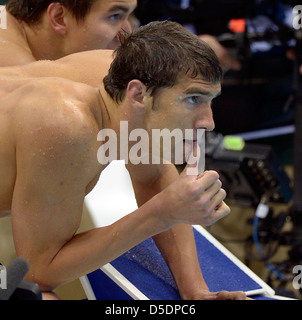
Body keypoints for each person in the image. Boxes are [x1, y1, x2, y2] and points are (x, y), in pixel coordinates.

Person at [0, 20, 249, 300]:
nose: (209, 122)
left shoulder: (131, 76)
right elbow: (39, 272)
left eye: (210, 100)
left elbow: (154, 178)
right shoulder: (66, 124)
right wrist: (161, 213)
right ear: (138, 94)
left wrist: (196, 293)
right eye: (193, 99)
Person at [0, 0, 137, 66]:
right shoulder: (14, 66)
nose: (127, 32)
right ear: (59, 17)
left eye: (129, 16)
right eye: (115, 16)